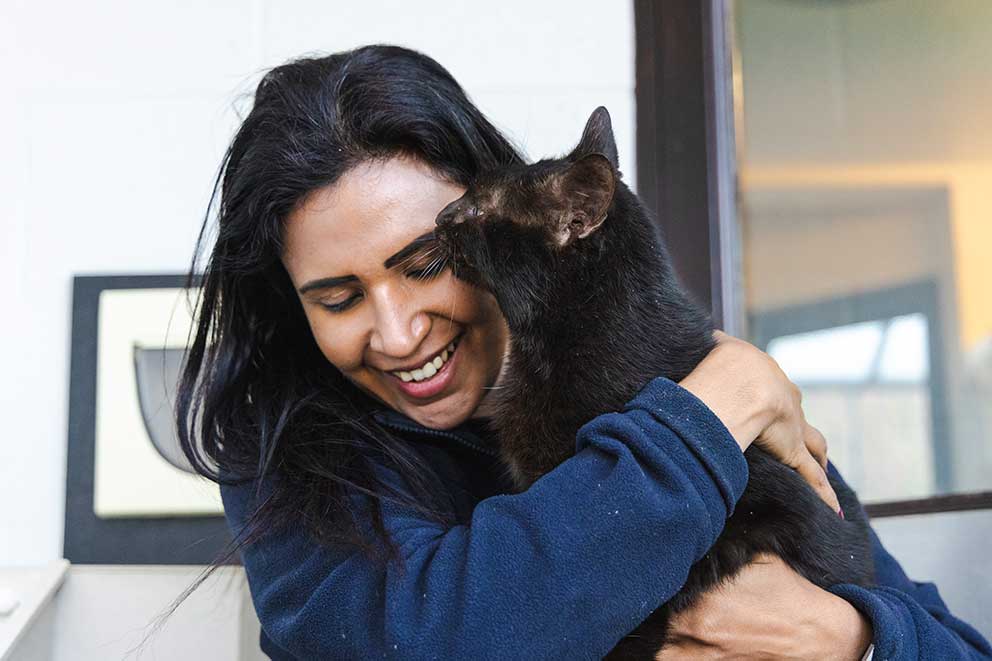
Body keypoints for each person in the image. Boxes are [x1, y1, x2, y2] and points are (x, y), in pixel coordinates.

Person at [176, 44, 992, 660]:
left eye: (427, 263)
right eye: (339, 297)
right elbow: (426, 638)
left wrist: (852, 638)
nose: (396, 333)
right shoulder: (286, 447)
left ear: (500, 221)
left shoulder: (690, 375)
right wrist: (715, 413)